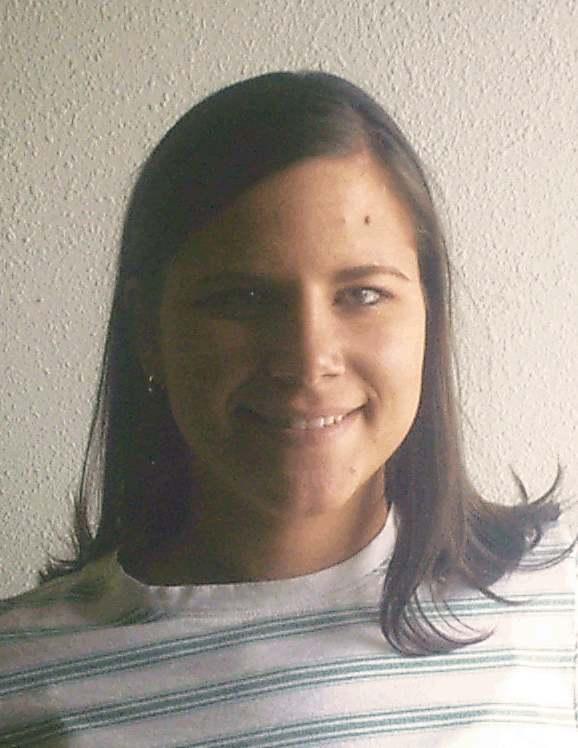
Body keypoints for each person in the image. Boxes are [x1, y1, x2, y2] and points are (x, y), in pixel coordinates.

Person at [0, 70, 575, 746]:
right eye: (243, 298)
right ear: (148, 330)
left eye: (362, 294)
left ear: (429, 315)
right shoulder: (20, 677)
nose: (307, 358)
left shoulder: (558, 600)